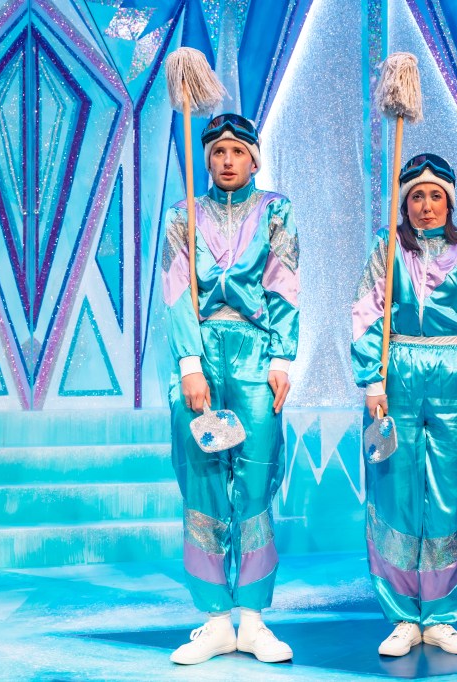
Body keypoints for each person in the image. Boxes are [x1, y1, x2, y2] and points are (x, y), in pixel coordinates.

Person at [351, 153, 457, 657]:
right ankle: (401, 616)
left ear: (450, 202)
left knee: (451, 495)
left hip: (456, 376)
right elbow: (368, 310)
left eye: (436, 195)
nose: (426, 205)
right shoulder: (388, 245)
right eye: (416, 196)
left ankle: (439, 615)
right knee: (394, 490)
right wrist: (372, 380)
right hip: (396, 376)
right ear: (405, 203)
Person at [161, 113, 299, 665]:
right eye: (217, 151)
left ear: (253, 159)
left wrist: (282, 357)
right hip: (199, 351)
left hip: (255, 354)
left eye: (237, 151)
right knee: (203, 481)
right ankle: (216, 620)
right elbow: (176, 287)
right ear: (207, 159)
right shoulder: (183, 215)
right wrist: (188, 363)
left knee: (256, 479)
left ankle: (255, 621)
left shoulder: (275, 210)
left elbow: (284, 281)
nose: (226, 160)